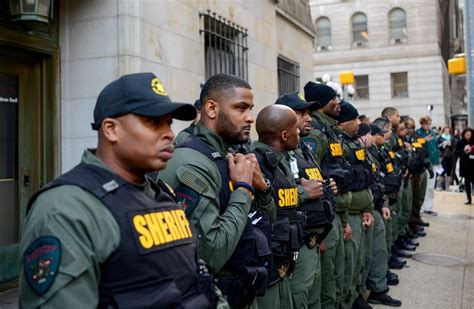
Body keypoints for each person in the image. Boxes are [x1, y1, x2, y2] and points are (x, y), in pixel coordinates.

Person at [19, 72, 216, 308]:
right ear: (111, 129)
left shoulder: (160, 193)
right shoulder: (65, 209)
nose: (169, 134)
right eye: (153, 122)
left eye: (169, 123)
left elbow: (201, 285)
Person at [159, 73, 275, 307]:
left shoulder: (228, 155)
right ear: (211, 109)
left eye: (251, 109)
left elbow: (264, 222)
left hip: (243, 286)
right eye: (241, 108)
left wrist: (261, 187)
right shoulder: (193, 163)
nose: (250, 118)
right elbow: (211, 253)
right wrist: (243, 188)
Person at [275, 92, 338, 308]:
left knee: (316, 300)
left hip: (313, 240)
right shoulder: (272, 155)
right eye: (301, 113)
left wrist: (327, 188)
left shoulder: (303, 152)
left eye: (309, 113)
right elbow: (272, 200)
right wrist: (303, 192)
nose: (309, 118)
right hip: (296, 246)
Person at [303, 82, 351, 309]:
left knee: (339, 273)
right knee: (327, 282)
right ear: (322, 103)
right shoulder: (313, 134)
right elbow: (310, 177)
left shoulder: (330, 130)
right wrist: (319, 234)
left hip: (337, 213)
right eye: (333, 98)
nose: (338, 102)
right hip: (324, 221)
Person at [251, 104, 304, 309]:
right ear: (284, 135)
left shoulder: (280, 162)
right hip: (267, 267)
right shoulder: (256, 162)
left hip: (283, 260)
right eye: (295, 129)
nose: (298, 132)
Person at [334, 101, 374, 309]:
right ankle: (349, 301)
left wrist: (367, 208)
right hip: (347, 214)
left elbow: (363, 176)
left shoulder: (353, 143)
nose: (359, 124)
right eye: (355, 119)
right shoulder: (338, 145)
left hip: (359, 211)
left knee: (359, 260)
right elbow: (341, 185)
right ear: (342, 123)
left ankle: (355, 297)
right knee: (347, 265)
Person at [358, 124, 401, 307]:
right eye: (367, 133)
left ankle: (378, 287)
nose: (369, 137)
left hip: (374, 205)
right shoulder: (358, 153)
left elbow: (375, 181)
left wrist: (382, 203)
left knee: (378, 251)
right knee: (366, 256)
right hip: (364, 210)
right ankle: (368, 291)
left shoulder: (369, 153)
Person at [416, 116, 439, 215]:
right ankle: (421, 207)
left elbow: (435, 148)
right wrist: (424, 140)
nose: (428, 126)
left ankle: (428, 207)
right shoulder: (418, 133)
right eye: (426, 124)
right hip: (424, 163)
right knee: (423, 186)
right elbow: (416, 145)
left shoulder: (432, 133)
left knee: (431, 186)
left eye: (429, 124)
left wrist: (437, 161)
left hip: (433, 162)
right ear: (422, 124)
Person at [455, 128, 474, 204]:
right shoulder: (460, 142)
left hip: (473, 164)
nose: (468, 136)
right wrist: (464, 150)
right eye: (467, 135)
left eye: (470, 135)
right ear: (464, 135)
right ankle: (469, 198)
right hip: (465, 165)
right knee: (467, 182)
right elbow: (456, 152)